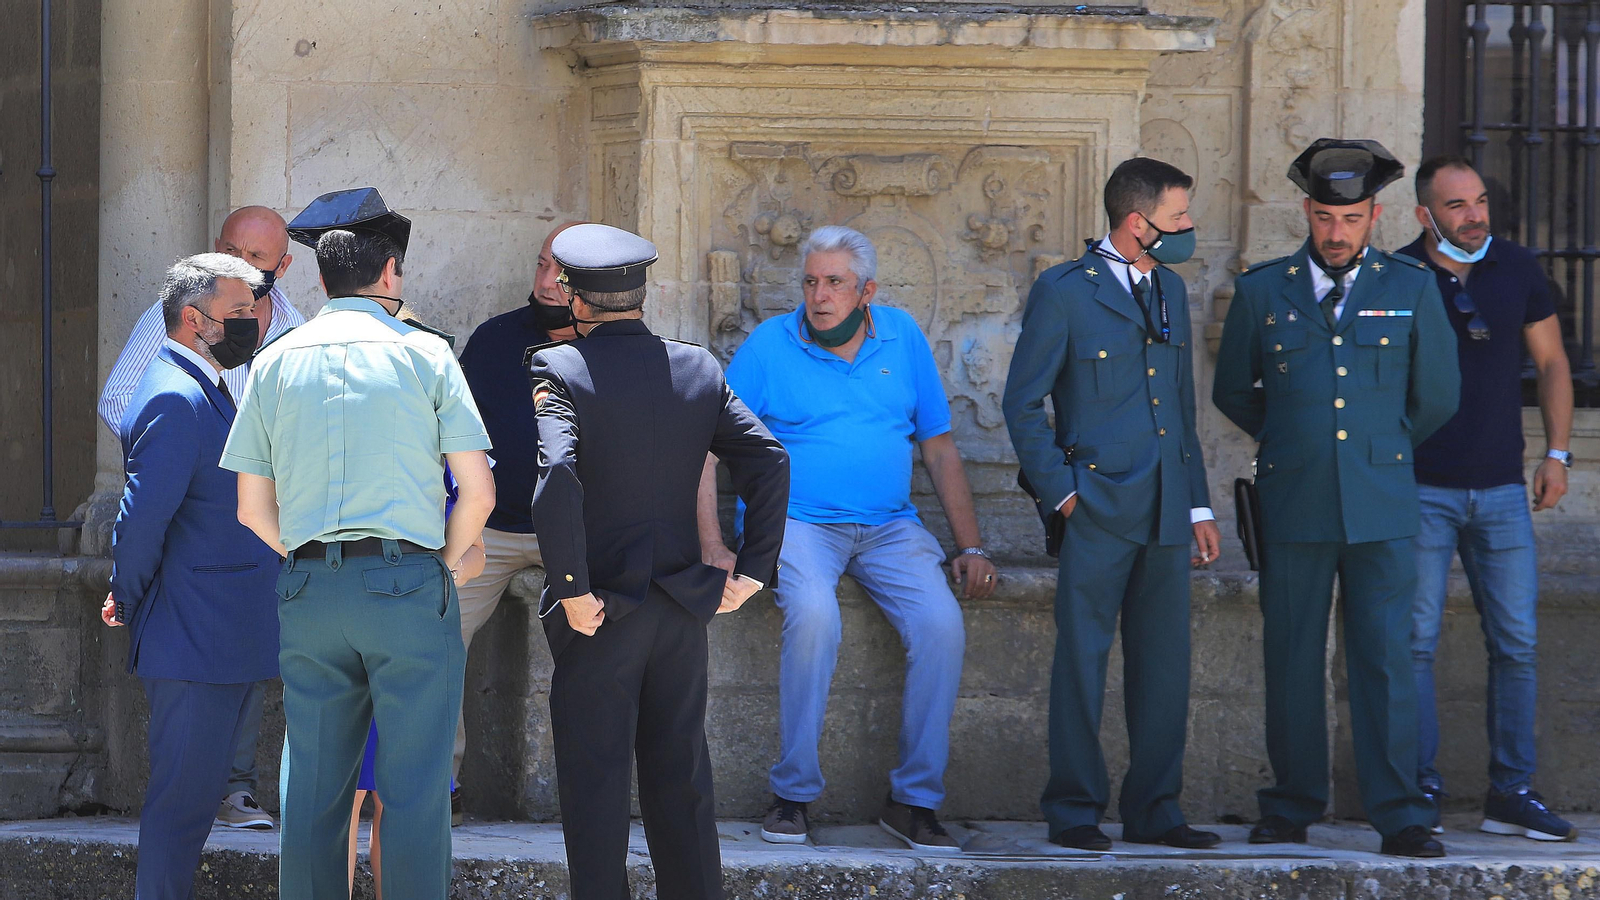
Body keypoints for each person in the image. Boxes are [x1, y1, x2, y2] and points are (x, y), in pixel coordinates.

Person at [222, 186, 494, 899]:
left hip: (310, 586)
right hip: (407, 583)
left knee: (312, 789)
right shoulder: (427, 354)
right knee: (414, 791)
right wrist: (440, 561)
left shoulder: (276, 359)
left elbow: (252, 509)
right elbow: (480, 491)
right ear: (391, 273)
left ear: (319, 276)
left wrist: (310, 560)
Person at [699, 224, 993, 851]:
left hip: (890, 527)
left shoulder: (903, 336)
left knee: (942, 626)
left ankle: (914, 802)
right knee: (813, 616)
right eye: (810, 281)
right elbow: (704, 447)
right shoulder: (769, 345)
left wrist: (970, 546)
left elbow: (939, 449)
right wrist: (713, 543)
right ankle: (793, 795)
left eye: (834, 282)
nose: (818, 294)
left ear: (866, 292)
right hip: (797, 522)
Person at [1213, 138, 1460, 858]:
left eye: (1350, 219)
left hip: (1381, 502)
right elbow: (1234, 389)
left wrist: (1381, 445)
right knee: (1291, 654)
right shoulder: (1264, 291)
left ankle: (1400, 813)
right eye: (1325, 217)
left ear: (1373, 216)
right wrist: (1295, 437)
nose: (1337, 232)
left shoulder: (1410, 288)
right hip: (1295, 500)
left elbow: (1438, 395)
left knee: (1383, 657)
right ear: (1307, 213)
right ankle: (1290, 804)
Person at [528, 223, 789, 900]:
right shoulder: (699, 366)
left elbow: (557, 475)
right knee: (683, 783)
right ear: (640, 293)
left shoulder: (558, 367)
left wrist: (571, 588)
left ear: (572, 295)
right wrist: (754, 568)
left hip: (601, 612)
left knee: (596, 791)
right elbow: (768, 459)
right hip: (680, 609)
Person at [1002, 158, 1222, 851]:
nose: (1188, 229)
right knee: (1082, 665)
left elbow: (1180, 411)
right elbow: (1022, 402)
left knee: (1164, 667)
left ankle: (1157, 809)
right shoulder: (1066, 291)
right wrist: (1062, 493)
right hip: (1096, 507)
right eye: (1179, 217)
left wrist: (1198, 506)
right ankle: (1073, 810)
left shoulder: (1171, 288)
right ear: (1138, 223)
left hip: (1164, 507)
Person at [97, 205, 304, 831]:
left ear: (284, 267)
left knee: (247, 669)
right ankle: (213, 792)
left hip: (265, 535)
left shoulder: (299, 332)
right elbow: (123, 405)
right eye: (231, 249)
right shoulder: (174, 350)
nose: (241, 266)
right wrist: (196, 456)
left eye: (258, 260)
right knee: (181, 781)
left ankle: (236, 788)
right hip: (195, 536)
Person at [1401, 156, 1578, 841]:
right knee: (1413, 642)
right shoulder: (1398, 275)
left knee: (1518, 644)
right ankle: (1418, 789)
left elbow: (1554, 362)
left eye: (1478, 201)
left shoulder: (1516, 267)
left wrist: (1557, 454)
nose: (1473, 215)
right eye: (1455, 206)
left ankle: (1512, 793)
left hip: (1503, 488)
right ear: (1425, 216)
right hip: (1420, 485)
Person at [449, 220, 585, 821]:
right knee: (432, 635)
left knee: (610, 644)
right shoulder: (493, 339)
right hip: (494, 529)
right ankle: (435, 782)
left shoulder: (614, 344)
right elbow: (451, 432)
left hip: (580, 533)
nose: (550, 280)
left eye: (565, 269)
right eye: (542, 264)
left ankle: (596, 788)